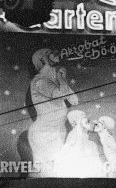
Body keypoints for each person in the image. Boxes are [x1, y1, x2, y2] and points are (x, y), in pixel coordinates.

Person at [27, 48, 78, 176]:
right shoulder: (39, 81)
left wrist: (62, 79)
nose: (56, 55)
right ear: (42, 59)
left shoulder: (56, 80)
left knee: (56, 172)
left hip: (57, 131)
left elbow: (74, 100)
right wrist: (62, 79)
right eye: (51, 53)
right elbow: (60, 95)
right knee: (46, 173)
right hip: (45, 133)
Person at [57, 109, 104, 177]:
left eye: (85, 116)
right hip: (77, 159)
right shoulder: (73, 133)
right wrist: (60, 157)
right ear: (77, 121)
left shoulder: (87, 137)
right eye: (83, 117)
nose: (86, 119)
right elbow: (67, 146)